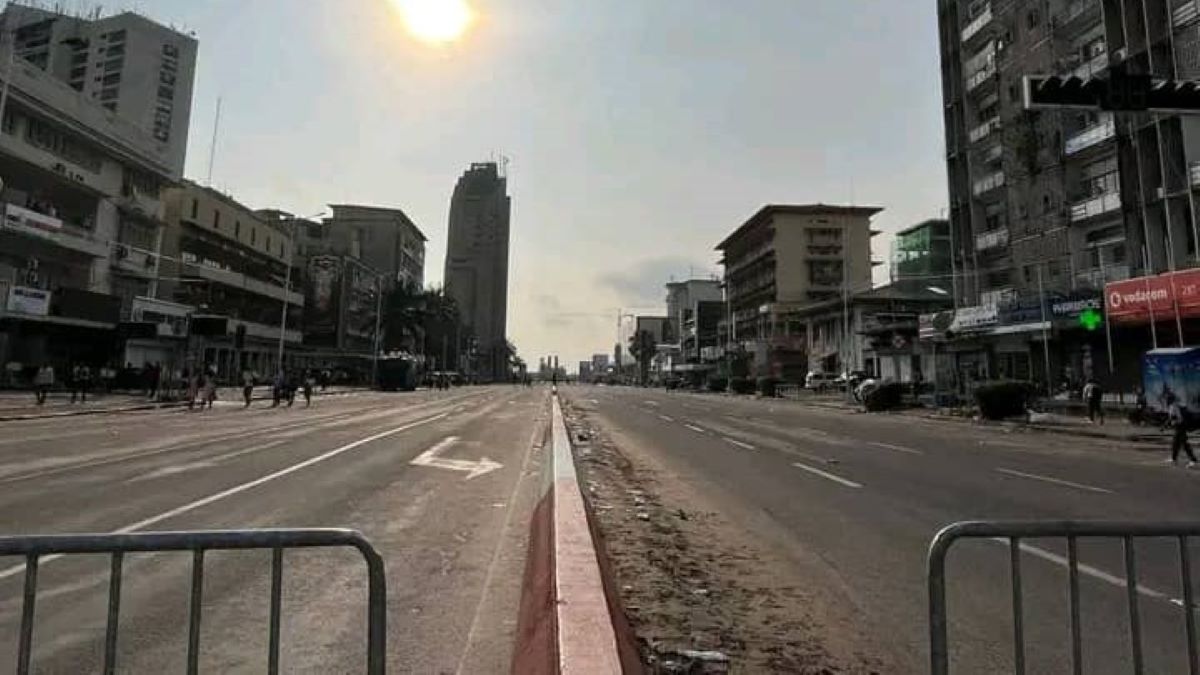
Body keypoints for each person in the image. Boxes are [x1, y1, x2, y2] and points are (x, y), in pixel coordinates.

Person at [1167, 393, 1198, 468]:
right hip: (1180, 426)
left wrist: (1173, 423)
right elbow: (1173, 418)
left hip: (1181, 426)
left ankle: (1193, 460)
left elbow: (1179, 419)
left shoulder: (1174, 406)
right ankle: (1174, 458)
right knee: (1175, 443)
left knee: (1184, 444)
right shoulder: (1174, 405)